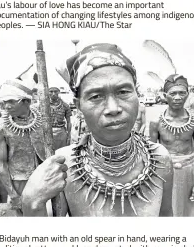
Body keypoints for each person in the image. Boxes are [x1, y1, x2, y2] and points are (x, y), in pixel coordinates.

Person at [20, 44, 173, 217]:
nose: (113, 108)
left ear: (137, 95)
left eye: (123, 92)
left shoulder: (160, 158)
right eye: (96, 96)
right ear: (78, 105)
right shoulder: (63, 165)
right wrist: (31, 203)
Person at [149, 75, 194, 217]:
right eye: (173, 93)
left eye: (182, 93)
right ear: (164, 95)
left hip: (188, 171)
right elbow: (152, 155)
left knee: (186, 210)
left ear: (188, 94)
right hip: (165, 171)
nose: (178, 97)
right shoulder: (156, 122)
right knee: (165, 210)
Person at [0, 81, 45, 215]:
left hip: (43, 174)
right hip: (19, 179)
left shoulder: (43, 119)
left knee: (42, 213)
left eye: (11, 101)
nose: (6, 106)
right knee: (24, 215)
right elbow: (1, 164)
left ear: (26, 101)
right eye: (3, 102)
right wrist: (13, 194)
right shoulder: (0, 128)